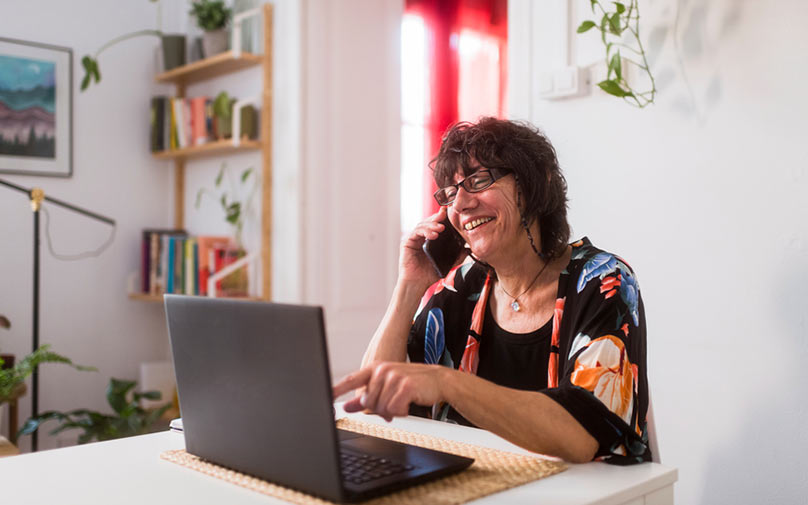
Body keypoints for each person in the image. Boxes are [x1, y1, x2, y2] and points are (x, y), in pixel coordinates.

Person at [332, 117, 651, 464]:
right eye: (450, 193)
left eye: (479, 180)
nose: (460, 205)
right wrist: (409, 286)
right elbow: (372, 402)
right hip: (480, 489)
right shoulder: (459, 290)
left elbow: (582, 437)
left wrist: (448, 383)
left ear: (533, 184)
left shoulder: (602, 281)